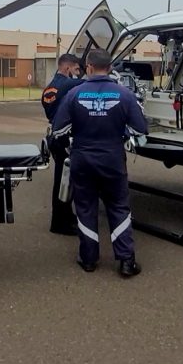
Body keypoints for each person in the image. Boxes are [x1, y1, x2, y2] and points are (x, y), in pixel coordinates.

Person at [52, 48, 148, 277]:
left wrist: (74, 142)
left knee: (85, 208)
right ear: (111, 68)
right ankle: (126, 261)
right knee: (119, 208)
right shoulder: (124, 95)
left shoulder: (75, 94)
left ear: (89, 66)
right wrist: (120, 133)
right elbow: (140, 131)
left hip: (82, 159)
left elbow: (58, 131)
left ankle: (88, 260)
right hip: (113, 159)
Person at [41, 53, 84, 235]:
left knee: (63, 180)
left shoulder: (51, 86)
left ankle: (66, 216)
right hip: (64, 139)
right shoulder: (67, 85)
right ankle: (59, 223)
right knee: (64, 182)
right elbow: (91, 83)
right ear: (68, 68)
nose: (78, 73)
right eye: (76, 69)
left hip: (54, 137)